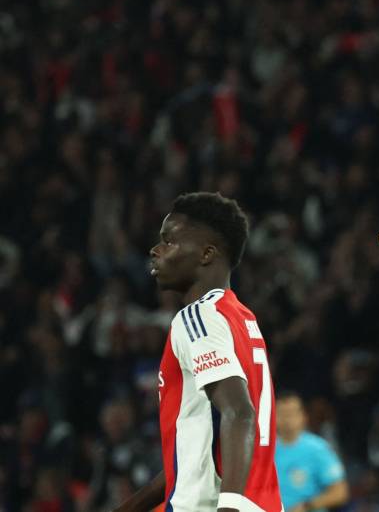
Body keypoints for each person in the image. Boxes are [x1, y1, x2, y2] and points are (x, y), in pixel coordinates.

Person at [113, 192, 281, 512]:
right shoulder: (241, 318)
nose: (156, 249)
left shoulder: (197, 317)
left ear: (206, 254)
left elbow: (239, 412)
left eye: (169, 241)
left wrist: (229, 507)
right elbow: (190, 456)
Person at [274, 391, 349, 511]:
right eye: (282, 413)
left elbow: (340, 492)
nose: (287, 419)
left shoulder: (318, 449)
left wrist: (307, 506)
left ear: (303, 416)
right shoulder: (264, 450)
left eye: (291, 413)